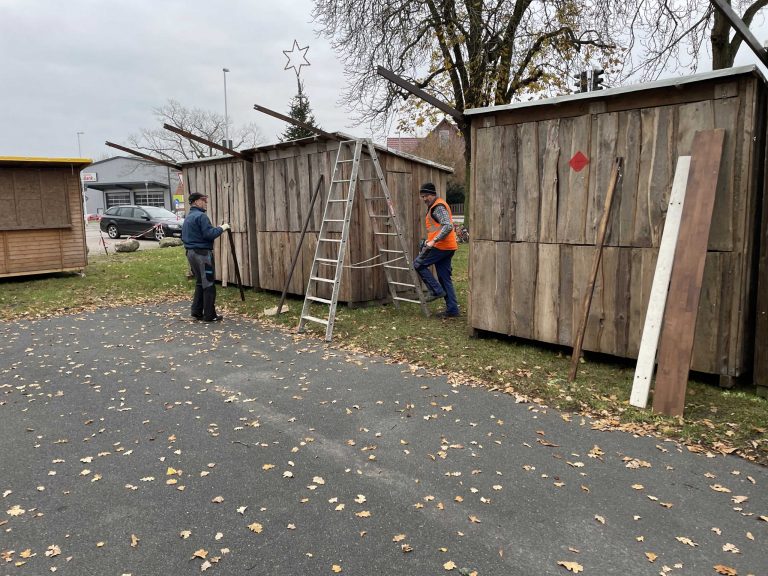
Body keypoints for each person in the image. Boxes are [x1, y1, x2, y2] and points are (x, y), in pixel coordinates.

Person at [413, 182, 460, 318]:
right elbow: (438, 228)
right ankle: (452, 310)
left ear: (433, 194)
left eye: (426, 196)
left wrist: (434, 240)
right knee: (444, 277)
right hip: (447, 246)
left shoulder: (438, 207)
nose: (424, 199)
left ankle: (435, 290)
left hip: (441, 246)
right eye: (422, 196)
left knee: (418, 264)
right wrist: (429, 240)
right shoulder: (435, 206)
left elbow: (447, 226)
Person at [181, 193, 230, 322]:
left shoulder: (188, 217)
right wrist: (222, 228)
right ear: (196, 202)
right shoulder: (201, 216)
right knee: (208, 283)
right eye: (203, 200)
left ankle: (196, 312)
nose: (205, 203)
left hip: (190, 253)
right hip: (202, 254)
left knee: (199, 282)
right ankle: (210, 315)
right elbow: (209, 234)